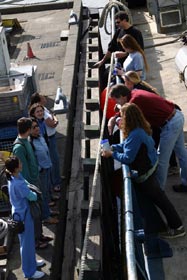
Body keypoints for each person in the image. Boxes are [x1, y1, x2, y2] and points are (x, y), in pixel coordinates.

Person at [101, 103, 186, 239]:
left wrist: (111, 154)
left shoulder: (135, 134)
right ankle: (168, 226)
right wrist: (114, 147)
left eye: (122, 117)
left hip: (146, 175)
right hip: (151, 168)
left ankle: (177, 227)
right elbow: (127, 145)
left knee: (161, 200)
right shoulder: (140, 128)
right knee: (159, 199)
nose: (120, 120)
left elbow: (128, 158)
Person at [108, 84, 187, 192]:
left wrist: (115, 119)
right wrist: (117, 114)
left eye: (116, 101)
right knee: (182, 154)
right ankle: (185, 183)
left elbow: (126, 118)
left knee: (162, 159)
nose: (117, 104)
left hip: (170, 124)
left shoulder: (135, 100)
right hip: (176, 116)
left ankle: (158, 192)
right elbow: (127, 108)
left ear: (122, 96)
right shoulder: (135, 92)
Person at [12, 117, 52, 249]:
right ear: (28, 129)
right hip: (31, 184)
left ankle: (40, 235)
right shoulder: (19, 147)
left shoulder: (26, 141)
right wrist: (31, 186)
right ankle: (36, 240)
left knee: (38, 211)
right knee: (34, 213)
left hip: (36, 181)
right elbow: (23, 171)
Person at [4, 156, 45, 279]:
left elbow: (25, 182)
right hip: (23, 216)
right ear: (16, 168)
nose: (22, 164)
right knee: (26, 244)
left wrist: (29, 187)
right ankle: (29, 271)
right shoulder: (17, 184)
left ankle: (32, 262)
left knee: (28, 241)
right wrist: (36, 194)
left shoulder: (15, 176)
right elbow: (31, 196)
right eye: (20, 163)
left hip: (21, 213)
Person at [29, 95, 62, 192]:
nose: (40, 113)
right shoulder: (36, 122)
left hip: (46, 141)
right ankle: (55, 184)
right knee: (52, 162)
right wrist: (54, 117)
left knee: (52, 163)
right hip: (45, 143)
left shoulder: (42, 119)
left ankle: (54, 184)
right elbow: (53, 124)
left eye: (41, 111)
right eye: (38, 112)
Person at [30, 118, 59, 224]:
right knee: (43, 194)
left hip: (47, 168)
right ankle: (46, 217)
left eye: (37, 126)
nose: (37, 128)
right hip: (41, 171)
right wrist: (40, 169)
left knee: (47, 192)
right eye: (33, 127)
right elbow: (32, 160)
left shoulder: (40, 136)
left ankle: (48, 211)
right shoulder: (31, 143)